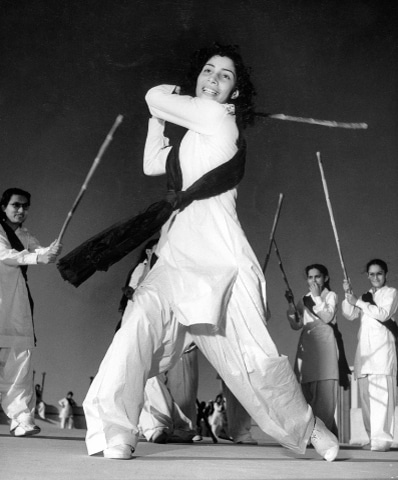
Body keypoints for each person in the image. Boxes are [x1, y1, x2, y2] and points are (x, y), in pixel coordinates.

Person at [83, 43, 339, 461]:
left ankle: (309, 427)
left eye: (224, 76)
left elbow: (153, 95)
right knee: (138, 325)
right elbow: (153, 163)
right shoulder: (194, 137)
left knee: (253, 355)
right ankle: (115, 430)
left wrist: (161, 98)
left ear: (234, 94)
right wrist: (157, 119)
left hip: (221, 256)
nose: (212, 79)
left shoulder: (218, 119)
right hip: (178, 254)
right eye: (207, 70)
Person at [0, 187, 62, 436]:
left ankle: (21, 417)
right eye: (16, 205)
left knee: (19, 357)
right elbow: (4, 255)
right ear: (4, 206)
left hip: (17, 306)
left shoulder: (26, 235)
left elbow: (39, 252)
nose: (21, 210)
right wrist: (38, 258)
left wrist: (51, 252)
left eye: (25, 206)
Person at [342, 259, 398, 452]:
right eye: (372, 274)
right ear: (368, 276)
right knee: (366, 400)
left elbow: (383, 314)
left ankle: (381, 441)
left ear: (386, 274)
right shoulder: (365, 296)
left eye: (379, 273)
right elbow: (349, 314)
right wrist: (348, 293)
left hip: (382, 354)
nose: (375, 277)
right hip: (365, 355)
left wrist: (358, 301)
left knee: (381, 398)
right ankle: (371, 438)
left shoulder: (391, 293)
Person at [286, 264, 340, 437]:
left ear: (325, 278)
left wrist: (317, 297)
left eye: (317, 277)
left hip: (324, 345)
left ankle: (324, 435)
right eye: (310, 277)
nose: (313, 280)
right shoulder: (304, 298)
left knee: (324, 395)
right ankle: (310, 434)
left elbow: (327, 316)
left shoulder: (330, 296)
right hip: (307, 346)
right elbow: (297, 325)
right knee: (305, 392)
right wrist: (291, 308)